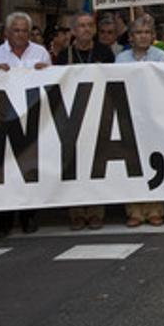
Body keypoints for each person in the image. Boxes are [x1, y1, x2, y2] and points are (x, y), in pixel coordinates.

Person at [0, 11, 50, 237]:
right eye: (16, 30)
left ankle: (28, 216)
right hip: (5, 118)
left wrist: (46, 72)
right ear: (7, 32)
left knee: (29, 168)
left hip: (33, 117)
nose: (21, 34)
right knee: (5, 171)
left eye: (25, 30)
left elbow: (52, 82)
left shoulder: (41, 52)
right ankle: (4, 221)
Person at [54, 12, 116, 230]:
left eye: (90, 25)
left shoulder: (104, 52)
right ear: (73, 31)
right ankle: (77, 212)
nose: (86, 29)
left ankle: (97, 212)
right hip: (73, 115)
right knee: (74, 164)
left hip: (98, 112)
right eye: (81, 26)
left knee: (97, 163)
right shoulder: (64, 56)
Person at [116, 15, 164, 226]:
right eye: (139, 33)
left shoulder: (161, 56)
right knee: (132, 163)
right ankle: (135, 211)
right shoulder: (121, 59)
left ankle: (155, 209)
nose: (143, 36)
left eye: (147, 32)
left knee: (156, 161)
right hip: (129, 115)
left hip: (155, 115)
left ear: (153, 36)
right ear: (131, 37)